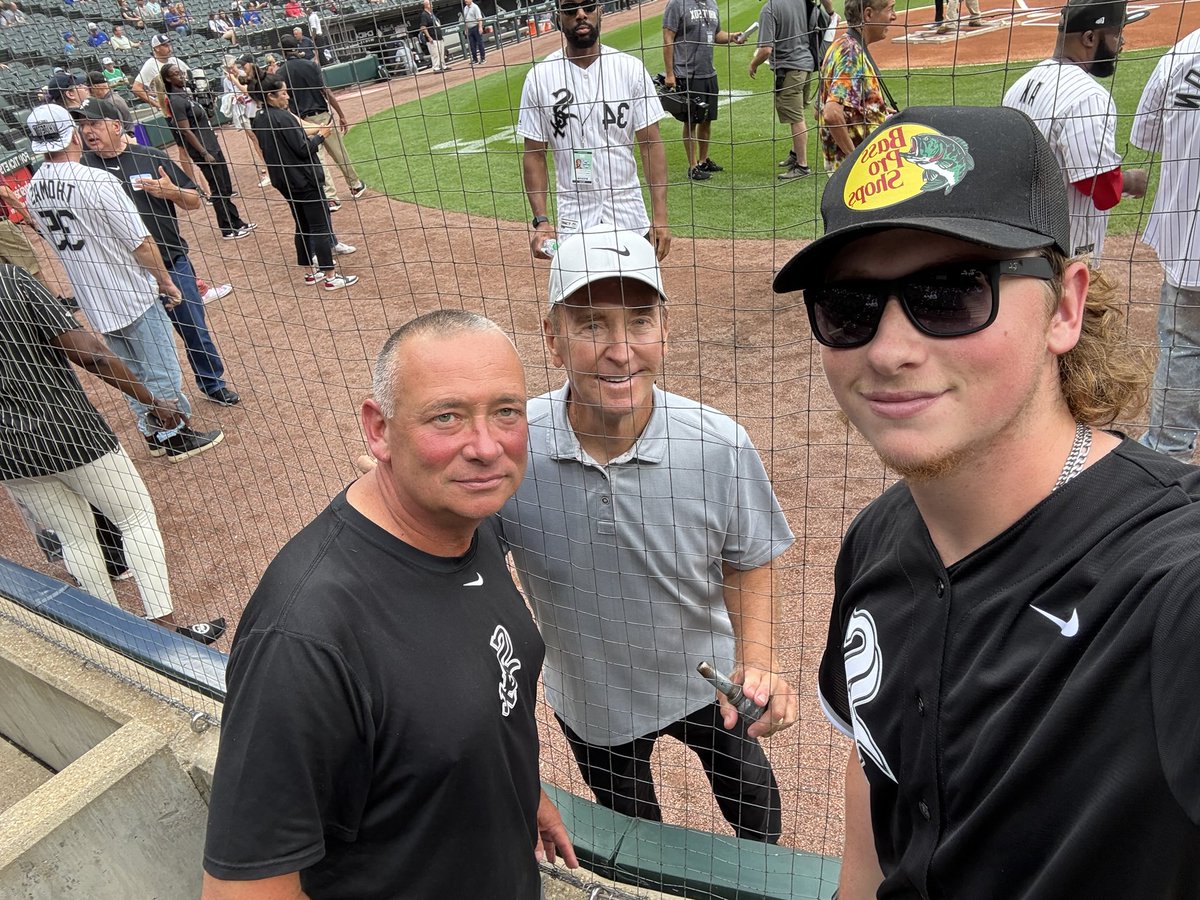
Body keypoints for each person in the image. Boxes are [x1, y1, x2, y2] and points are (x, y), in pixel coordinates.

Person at [773, 103, 1200, 898]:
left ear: (1065, 308)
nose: (889, 350)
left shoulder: (1172, 589)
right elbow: (873, 789)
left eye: (950, 291)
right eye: (849, 305)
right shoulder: (878, 539)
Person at [202, 311, 577, 899]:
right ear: (378, 430)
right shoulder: (302, 637)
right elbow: (241, 892)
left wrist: (521, 793)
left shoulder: (463, 522)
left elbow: (463, 707)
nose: (486, 447)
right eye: (446, 416)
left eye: (506, 411)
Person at [499, 224, 797, 842]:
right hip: (593, 696)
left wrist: (758, 658)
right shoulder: (509, 447)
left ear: (664, 329)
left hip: (709, 679)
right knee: (638, 837)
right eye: (591, 325)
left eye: (639, 321)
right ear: (552, 338)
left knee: (759, 820)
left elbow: (748, 559)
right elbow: (456, 559)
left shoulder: (717, 444)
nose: (620, 349)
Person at [0, 263, 225, 644]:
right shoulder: (10, 279)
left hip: (9, 452)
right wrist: (153, 401)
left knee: (74, 537)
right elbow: (92, 355)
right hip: (69, 430)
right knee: (135, 517)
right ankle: (164, 631)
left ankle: (112, 636)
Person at [23, 103, 224, 461]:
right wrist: (165, 281)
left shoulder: (34, 188)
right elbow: (141, 243)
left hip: (92, 295)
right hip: (129, 288)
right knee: (160, 367)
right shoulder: (95, 179)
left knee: (129, 371)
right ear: (72, 135)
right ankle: (175, 436)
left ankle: (152, 433)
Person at [78, 96, 240, 407]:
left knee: (194, 330)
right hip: (122, 273)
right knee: (141, 344)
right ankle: (158, 404)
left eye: (94, 123)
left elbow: (194, 200)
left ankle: (212, 383)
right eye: (83, 125)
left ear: (116, 126)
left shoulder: (150, 156)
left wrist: (172, 191)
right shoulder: (82, 169)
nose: (87, 131)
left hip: (171, 261)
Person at [517, 0, 670, 260]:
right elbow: (534, 154)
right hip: (574, 220)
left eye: (588, 6)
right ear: (558, 17)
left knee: (638, 287)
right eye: (570, 9)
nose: (580, 14)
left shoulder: (630, 69)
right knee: (577, 288)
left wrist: (660, 216)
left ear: (601, 10)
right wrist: (541, 221)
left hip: (629, 215)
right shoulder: (539, 77)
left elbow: (651, 145)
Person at [1002, 0, 1148, 264]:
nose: (1122, 43)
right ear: (1089, 38)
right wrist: (1130, 182)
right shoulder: (1088, 96)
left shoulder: (1022, 84)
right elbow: (1099, 187)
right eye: (1117, 34)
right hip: (1067, 252)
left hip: (1023, 240)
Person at [1131, 26, 1200, 461]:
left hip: (1188, 237)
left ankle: (1168, 453)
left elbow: (1147, 138)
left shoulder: (1181, 52)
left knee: (1183, 345)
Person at [249, 72, 357, 290]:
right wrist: (322, 135)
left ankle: (310, 273)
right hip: (303, 179)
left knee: (302, 225)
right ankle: (330, 276)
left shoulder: (259, 118)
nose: (287, 97)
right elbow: (303, 149)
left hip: (283, 180)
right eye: (283, 93)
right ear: (270, 96)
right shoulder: (283, 117)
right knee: (319, 226)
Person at [161, 63, 255, 241]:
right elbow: (185, 130)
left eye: (181, 72)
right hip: (203, 149)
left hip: (212, 144)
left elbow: (204, 117)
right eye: (176, 74)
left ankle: (236, 221)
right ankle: (227, 228)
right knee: (217, 188)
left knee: (225, 186)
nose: (181, 76)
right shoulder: (175, 100)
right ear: (168, 79)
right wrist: (204, 152)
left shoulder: (186, 94)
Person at [277, 34, 367, 209]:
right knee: (339, 153)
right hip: (323, 116)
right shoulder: (311, 65)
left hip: (303, 122)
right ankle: (355, 185)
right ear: (297, 46)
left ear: (282, 50)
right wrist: (341, 115)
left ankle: (330, 197)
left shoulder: (280, 73)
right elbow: (326, 91)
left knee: (318, 159)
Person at [662, 0, 744, 182]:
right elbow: (668, 38)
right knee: (691, 121)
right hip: (687, 73)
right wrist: (670, 74)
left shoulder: (712, 3)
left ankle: (703, 160)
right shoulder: (677, 4)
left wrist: (732, 36)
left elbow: (716, 34)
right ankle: (693, 167)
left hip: (708, 72)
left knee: (707, 119)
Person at [817, 0, 897, 173]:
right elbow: (831, 114)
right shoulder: (851, 55)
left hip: (844, 172)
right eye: (890, 9)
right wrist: (855, 160)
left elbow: (818, 110)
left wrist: (875, 108)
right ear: (868, 14)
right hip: (859, 176)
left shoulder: (839, 45)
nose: (894, 16)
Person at [748, 0, 818, 180]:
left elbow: (765, 50)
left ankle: (802, 166)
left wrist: (753, 64)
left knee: (796, 118)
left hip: (790, 69)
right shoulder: (799, 1)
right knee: (798, 112)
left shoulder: (769, 9)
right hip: (806, 65)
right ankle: (795, 154)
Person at [132, 34, 198, 180]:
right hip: (172, 113)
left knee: (199, 142)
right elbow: (136, 88)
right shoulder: (150, 64)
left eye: (169, 44)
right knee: (184, 148)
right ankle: (193, 182)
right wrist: (157, 104)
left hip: (188, 106)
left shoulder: (175, 61)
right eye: (165, 45)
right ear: (156, 48)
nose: (169, 48)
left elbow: (190, 76)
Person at [222, 54, 268, 186]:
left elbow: (248, 91)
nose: (231, 70)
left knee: (263, 137)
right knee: (254, 138)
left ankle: (271, 165)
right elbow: (227, 95)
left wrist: (235, 80)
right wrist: (233, 97)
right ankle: (266, 165)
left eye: (232, 67)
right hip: (243, 111)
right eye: (228, 68)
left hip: (255, 108)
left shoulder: (245, 73)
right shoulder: (226, 80)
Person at [419, 0, 448, 72]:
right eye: (430, 4)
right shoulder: (424, 14)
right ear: (426, 5)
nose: (432, 6)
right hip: (432, 37)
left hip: (438, 36)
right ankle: (436, 68)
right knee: (435, 54)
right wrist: (429, 37)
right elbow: (423, 27)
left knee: (441, 52)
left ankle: (443, 66)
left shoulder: (431, 14)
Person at [463, 0, 485, 65]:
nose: (465, 0)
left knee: (480, 43)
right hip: (469, 29)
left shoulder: (475, 7)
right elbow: (466, 20)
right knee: (472, 45)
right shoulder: (465, 8)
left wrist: (480, 27)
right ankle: (475, 59)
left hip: (476, 27)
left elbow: (479, 18)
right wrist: (466, 29)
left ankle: (483, 58)